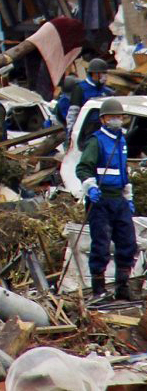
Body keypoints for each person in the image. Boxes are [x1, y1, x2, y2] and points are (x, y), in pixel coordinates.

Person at [75, 98, 136, 300]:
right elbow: (83, 168)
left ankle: (122, 287)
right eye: (112, 117)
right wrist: (90, 187)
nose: (116, 120)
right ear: (103, 119)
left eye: (119, 117)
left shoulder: (121, 141)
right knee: (101, 246)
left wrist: (128, 196)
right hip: (100, 200)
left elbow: (123, 171)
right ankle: (98, 290)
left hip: (119, 200)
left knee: (127, 243)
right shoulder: (96, 141)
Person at [65, 58, 111, 146]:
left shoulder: (107, 91)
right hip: (86, 131)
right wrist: (71, 134)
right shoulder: (80, 89)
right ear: (95, 74)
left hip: (103, 130)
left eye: (105, 73)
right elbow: (73, 113)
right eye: (103, 73)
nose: (105, 76)